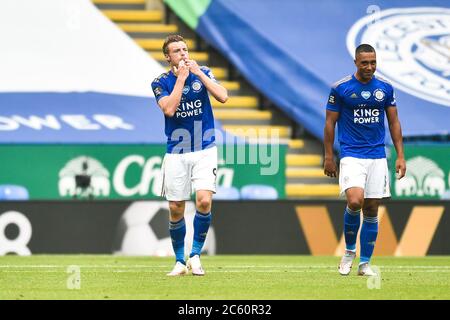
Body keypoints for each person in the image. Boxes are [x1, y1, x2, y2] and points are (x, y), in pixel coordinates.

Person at [323, 44, 406, 276]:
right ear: (356, 63)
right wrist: (329, 156)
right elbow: (330, 123)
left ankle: (365, 263)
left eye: (373, 62)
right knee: (355, 200)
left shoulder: (385, 88)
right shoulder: (341, 89)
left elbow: (394, 122)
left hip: (377, 155)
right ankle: (349, 251)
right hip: (351, 154)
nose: (369, 67)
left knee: (371, 208)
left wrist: (400, 155)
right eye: (364, 63)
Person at [151, 35, 228, 276]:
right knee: (176, 208)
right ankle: (179, 261)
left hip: (205, 148)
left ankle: (195, 255)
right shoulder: (160, 82)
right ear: (168, 56)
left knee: (204, 201)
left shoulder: (203, 72)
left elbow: (223, 96)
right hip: (176, 151)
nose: (183, 54)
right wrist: (181, 79)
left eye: (185, 49)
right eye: (177, 51)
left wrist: (199, 75)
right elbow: (169, 109)